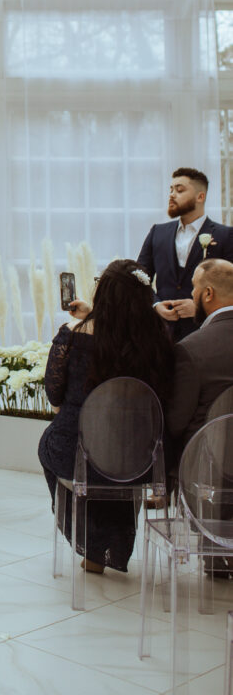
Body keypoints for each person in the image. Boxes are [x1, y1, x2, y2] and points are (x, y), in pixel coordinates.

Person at [38, 259, 173, 574]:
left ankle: (93, 545)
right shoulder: (158, 340)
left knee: (58, 443)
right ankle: (105, 546)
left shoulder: (72, 335)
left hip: (76, 456)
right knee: (115, 454)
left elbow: (54, 396)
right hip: (139, 461)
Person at [137, 168, 233, 341]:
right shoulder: (157, 232)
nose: (172, 195)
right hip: (161, 334)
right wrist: (156, 304)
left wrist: (199, 306)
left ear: (200, 197)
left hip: (206, 333)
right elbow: (140, 277)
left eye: (179, 190)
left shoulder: (225, 235)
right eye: (171, 190)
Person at [168, 258, 233, 455]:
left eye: (194, 287)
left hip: (205, 470)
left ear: (208, 293)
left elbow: (175, 423)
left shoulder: (191, 349)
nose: (192, 294)